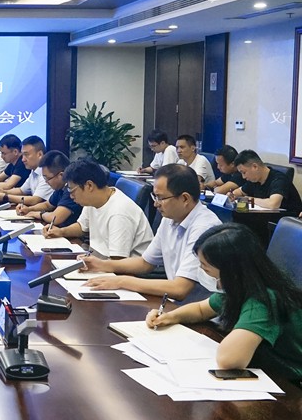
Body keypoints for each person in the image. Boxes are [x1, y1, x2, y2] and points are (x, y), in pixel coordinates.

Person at [146, 223, 302, 379]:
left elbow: (228, 360)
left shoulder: (263, 301)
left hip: (290, 382)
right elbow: (200, 309)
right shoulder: (241, 287)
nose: (202, 271)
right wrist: (170, 316)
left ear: (230, 272)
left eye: (206, 268)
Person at [82, 164, 221, 301]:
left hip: (202, 310)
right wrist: (101, 264)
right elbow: (145, 263)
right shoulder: (170, 218)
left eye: (161, 198)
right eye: (155, 197)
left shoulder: (204, 228)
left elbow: (180, 289)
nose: (155, 204)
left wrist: (121, 281)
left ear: (185, 198)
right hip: (175, 303)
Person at [45, 157, 152, 259]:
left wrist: (91, 263)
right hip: (98, 257)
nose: (71, 196)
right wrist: (61, 232)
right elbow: (82, 227)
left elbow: (118, 260)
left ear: (89, 186)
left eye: (72, 191)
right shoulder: (93, 200)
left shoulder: (119, 212)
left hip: (119, 267)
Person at [16, 150, 82, 228]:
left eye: (47, 178)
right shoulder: (60, 188)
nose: (46, 182)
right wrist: (29, 209)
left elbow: (55, 218)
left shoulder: (72, 190)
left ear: (61, 175)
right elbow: (47, 205)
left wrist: (39, 214)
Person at [0, 135, 53, 205]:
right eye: (23, 155)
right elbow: (21, 191)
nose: (23, 159)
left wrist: (5, 197)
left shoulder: (48, 173)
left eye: (26, 155)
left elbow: (35, 200)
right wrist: (3, 191)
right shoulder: (34, 171)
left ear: (40, 154)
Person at [229, 150, 302, 213]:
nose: (243, 177)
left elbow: (273, 204)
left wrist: (250, 200)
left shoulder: (279, 179)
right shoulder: (254, 179)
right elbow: (239, 192)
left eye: (244, 172)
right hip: (264, 217)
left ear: (255, 167)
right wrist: (232, 195)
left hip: (286, 220)